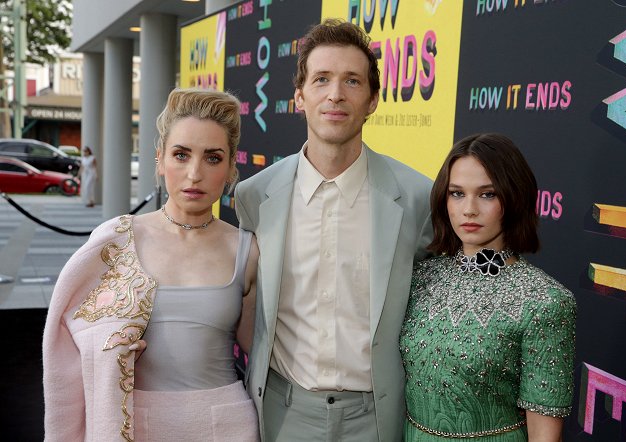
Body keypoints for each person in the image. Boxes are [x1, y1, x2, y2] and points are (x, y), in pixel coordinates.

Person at [234, 19, 433, 442]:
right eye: (321, 79)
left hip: (378, 418)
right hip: (281, 413)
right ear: (300, 97)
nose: (336, 94)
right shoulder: (255, 196)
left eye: (352, 81)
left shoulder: (418, 199)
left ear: (373, 100)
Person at [43, 88, 259, 441]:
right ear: (160, 160)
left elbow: (262, 353)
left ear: (232, 167)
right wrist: (109, 347)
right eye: (181, 155)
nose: (194, 174)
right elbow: (65, 332)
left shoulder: (247, 250)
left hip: (226, 425)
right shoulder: (117, 239)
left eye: (213, 158)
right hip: (135, 423)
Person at [400, 133, 576, 441]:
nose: (468, 209)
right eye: (456, 193)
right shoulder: (418, 278)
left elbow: (544, 435)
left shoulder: (546, 301)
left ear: (514, 198)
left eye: (487, 194)